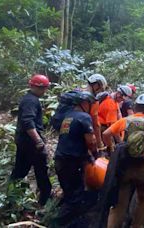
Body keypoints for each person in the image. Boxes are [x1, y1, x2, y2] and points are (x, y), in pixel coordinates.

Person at [103, 94, 144, 228]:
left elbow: (106, 134)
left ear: (135, 106)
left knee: (120, 204)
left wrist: (113, 148)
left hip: (125, 166)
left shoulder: (125, 120)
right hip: (143, 165)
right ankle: (136, 225)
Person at [54, 91, 98, 224]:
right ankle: (58, 223)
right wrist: (95, 154)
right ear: (84, 103)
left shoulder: (67, 116)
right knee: (76, 197)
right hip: (71, 162)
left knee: (69, 192)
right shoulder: (84, 117)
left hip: (60, 159)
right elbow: (91, 141)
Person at [10, 74, 52, 206]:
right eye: (43, 88)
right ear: (37, 87)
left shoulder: (29, 99)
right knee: (41, 170)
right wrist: (38, 141)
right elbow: (28, 122)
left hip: (24, 140)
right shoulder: (31, 101)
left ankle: (10, 195)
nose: (45, 91)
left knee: (20, 170)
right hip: (30, 142)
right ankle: (44, 201)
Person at [87, 74, 108, 151]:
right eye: (100, 88)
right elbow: (96, 125)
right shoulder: (93, 101)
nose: (100, 91)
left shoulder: (77, 93)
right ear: (96, 85)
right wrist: (100, 144)